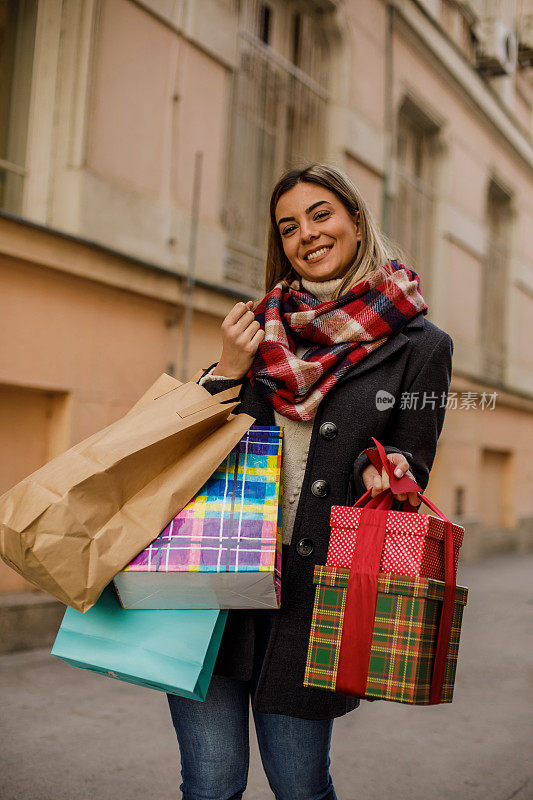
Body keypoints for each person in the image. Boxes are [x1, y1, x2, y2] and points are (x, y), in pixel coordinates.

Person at [167, 163, 454, 800]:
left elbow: (413, 454)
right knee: (209, 787)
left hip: (314, 597)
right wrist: (227, 371)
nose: (307, 234)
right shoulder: (254, 327)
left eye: (321, 214)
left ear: (355, 220)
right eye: (289, 226)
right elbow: (184, 444)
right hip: (214, 582)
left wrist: (390, 471)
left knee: (301, 788)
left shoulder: (421, 344)